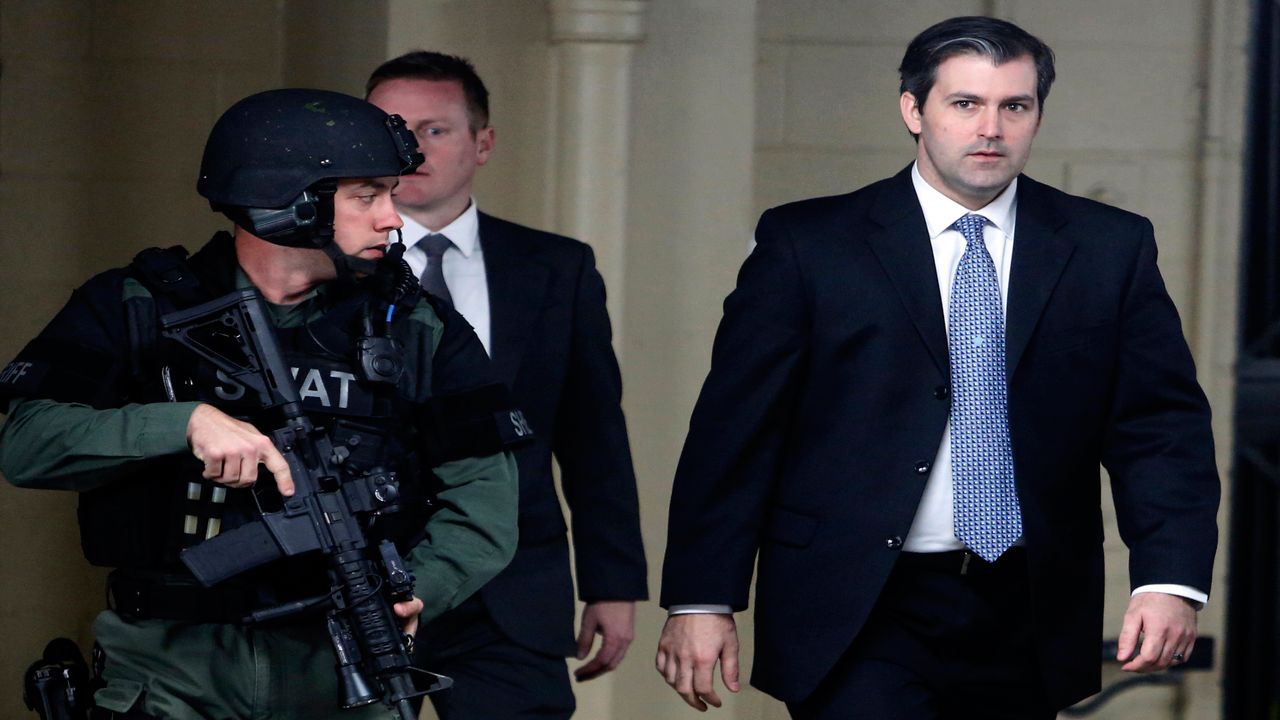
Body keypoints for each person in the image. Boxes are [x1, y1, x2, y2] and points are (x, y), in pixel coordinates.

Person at [654, 15, 1219, 720]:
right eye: (965, 104)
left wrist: (1169, 578)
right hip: (860, 602)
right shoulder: (810, 244)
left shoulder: (1109, 248)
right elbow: (736, 430)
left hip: (1029, 601)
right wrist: (703, 597)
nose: (991, 128)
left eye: (1015, 106)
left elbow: (1158, 427)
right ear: (913, 110)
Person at [0, 88, 520, 719]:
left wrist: (412, 596)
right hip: (171, 666)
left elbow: (484, 505)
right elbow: (27, 446)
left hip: (342, 664)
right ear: (288, 203)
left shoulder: (416, 328)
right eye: (367, 196)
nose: (393, 217)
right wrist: (181, 423)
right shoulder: (137, 306)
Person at [364, 51, 648, 718]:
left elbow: (593, 436)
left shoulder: (557, 268)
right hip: (362, 578)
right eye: (391, 128)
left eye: (434, 129)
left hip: (514, 586)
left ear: (482, 142)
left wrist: (612, 584)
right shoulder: (324, 265)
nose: (410, 147)